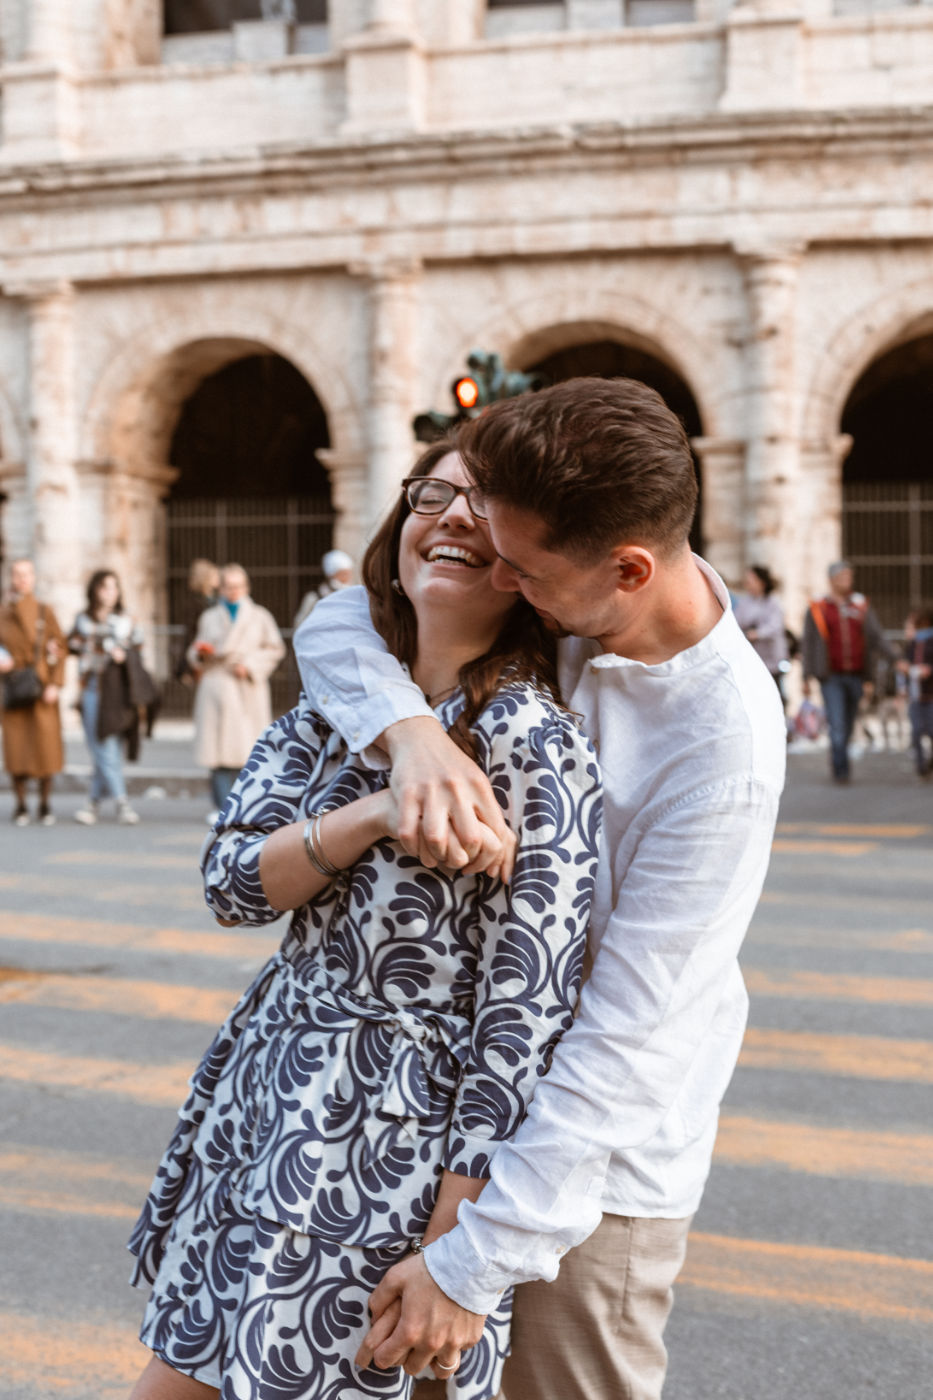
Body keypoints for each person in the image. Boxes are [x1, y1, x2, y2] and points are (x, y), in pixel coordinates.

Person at [293, 377, 787, 1400]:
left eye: (525, 564)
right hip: (437, 1124)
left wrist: (476, 1260)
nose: (503, 580)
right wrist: (413, 736)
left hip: (586, 1187)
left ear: (630, 566)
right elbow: (345, 617)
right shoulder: (568, 613)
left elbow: (633, 1031)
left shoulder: (722, 741)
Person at [126, 442, 602, 1400]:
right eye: (435, 493)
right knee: (187, 1369)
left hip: (391, 1143)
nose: (455, 516)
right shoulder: (337, 706)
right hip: (269, 1095)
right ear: (398, 526)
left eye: (486, 502)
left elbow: (526, 1016)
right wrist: (376, 812)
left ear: (528, 563)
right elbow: (230, 883)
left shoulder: (531, 738)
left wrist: (454, 1254)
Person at [188, 563, 285, 819]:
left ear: (246, 587)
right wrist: (200, 653)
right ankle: (221, 806)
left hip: (245, 689)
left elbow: (275, 648)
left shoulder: (260, 616)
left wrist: (251, 666)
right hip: (217, 685)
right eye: (228, 586)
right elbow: (194, 650)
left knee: (248, 751)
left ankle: (247, 804)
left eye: (237, 586)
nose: (233, 591)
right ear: (220, 588)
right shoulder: (209, 617)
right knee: (217, 752)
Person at [68, 569, 147, 825]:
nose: (109, 593)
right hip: (92, 690)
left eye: (114, 587)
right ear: (94, 590)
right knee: (100, 747)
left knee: (108, 746)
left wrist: (122, 653)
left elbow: (139, 650)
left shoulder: (127, 621)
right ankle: (98, 803)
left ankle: (115, 802)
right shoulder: (83, 621)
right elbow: (70, 645)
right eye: (104, 587)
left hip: (119, 692)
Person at [801, 560, 892, 784]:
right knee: (837, 722)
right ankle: (841, 770)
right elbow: (809, 642)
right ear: (832, 580)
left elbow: (876, 636)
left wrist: (896, 658)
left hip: (857, 674)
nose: (847, 581)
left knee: (849, 722)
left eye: (849, 576)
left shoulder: (860, 605)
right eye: (842, 577)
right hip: (831, 676)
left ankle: (841, 760)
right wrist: (806, 676)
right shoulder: (819, 607)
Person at [0, 558, 67, 826]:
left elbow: (60, 647)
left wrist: (54, 684)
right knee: (16, 749)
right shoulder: (4, 612)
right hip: (14, 686)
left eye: (26, 573)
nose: (22, 579)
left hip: (40, 687)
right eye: (17, 574)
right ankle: (21, 804)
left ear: (34, 577)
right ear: (11, 578)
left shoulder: (43, 611)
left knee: (46, 748)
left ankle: (45, 803)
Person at [733, 564, 789, 701]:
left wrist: (757, 633)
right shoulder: (745, 602)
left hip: (772, 658)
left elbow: (774, 626)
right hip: (754, 657)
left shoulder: (773, 603)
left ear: (761, 582)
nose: (748, 585)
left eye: (751, 581)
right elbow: (736, 621)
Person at [173, 558, 219, 685]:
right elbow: (192, 635)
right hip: (201, 652)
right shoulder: (197, 603)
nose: (218, 577)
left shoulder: (215, 601)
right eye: (214, 575)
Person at [900, 604, 933, 777]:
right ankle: (921, 767)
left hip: (930, 694)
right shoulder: (912, 644)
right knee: (916, 732)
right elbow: (905, 663)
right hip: (915, 695)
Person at [293, 547, 355, 630]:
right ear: (331, 575)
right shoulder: (314, 597)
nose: (347, 578)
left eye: (348, 574)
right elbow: (300, 624)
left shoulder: (354, 596)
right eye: (342, 574)